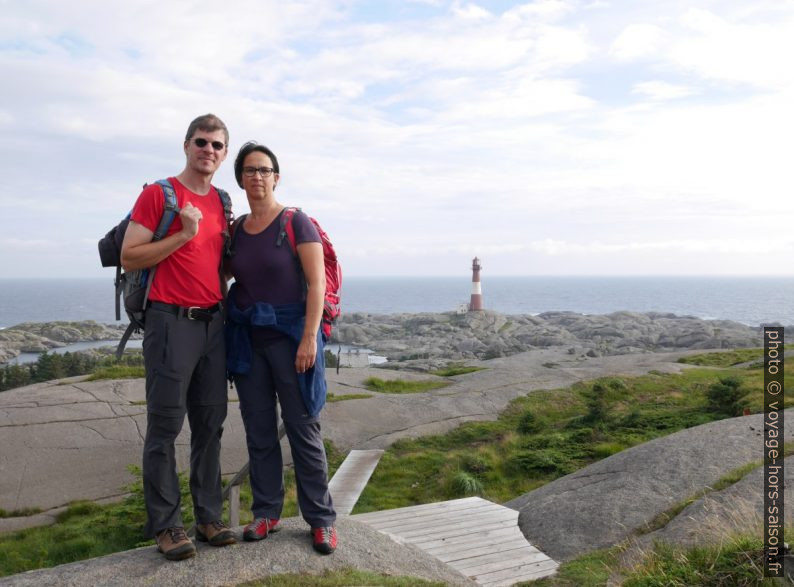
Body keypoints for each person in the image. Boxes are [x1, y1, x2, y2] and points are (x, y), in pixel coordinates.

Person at [121, 114, 235, 561]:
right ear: (186, 146)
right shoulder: (159, 194)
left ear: (224, 154)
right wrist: (183, 233)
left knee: (210, 425)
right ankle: (168, 526)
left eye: (217, 145)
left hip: (213, 324)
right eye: (202, 142)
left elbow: (219, 266)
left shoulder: (223, 202)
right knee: (165, 428)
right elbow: (131, 256)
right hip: (170, 323)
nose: (209, 150)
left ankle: (207, 518)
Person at [225, 141, 337, 554]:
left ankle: (321, 520)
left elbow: (317, 285)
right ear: (240, 178)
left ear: (276, 176)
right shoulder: (236, 230)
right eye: (249, 170)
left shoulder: (295, 221)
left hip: (293, 339)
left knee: (303, 429)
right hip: (249, 343)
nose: (257, 176)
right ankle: (267, 513)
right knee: (258, 432)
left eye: (264, 169)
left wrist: (310, 337)